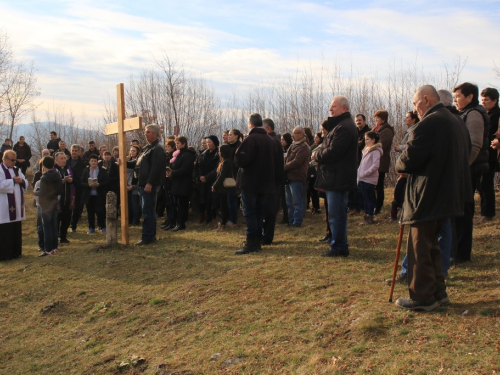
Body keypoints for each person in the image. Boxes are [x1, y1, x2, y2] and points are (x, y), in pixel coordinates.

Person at [394, 85, 468, 311]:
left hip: (427, 195)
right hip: (445, 193)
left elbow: (406, 160)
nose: (415, 110)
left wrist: (400, 160)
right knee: (433, 245)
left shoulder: (429, 123)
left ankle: (423, 297)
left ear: (426, 99)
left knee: (420, 248)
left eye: (416, 104)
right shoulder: (453, 120)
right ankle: (438, 292)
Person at [313, 96, 357, 257]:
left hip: (338, 179)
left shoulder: (344, 127)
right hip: (335, 177)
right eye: (330, 107)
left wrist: (317, 155)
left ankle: (338, 247)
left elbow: (334, 152)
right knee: (336, 214)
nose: (330, 110)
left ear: (344, 108)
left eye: (334, 107)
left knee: (336, 214)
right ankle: (338, 244)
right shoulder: (340, 125)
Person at [453, 82, 490, 263]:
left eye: (458, 97)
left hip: (469, 169)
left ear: (470, 97)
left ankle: (461, 254)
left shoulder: (474, 114)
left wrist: (462, 166)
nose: (456, 101)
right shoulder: (465, 113)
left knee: (464, 210)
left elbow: (474, 146)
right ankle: (457, 251)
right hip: (465, 169)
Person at [234, 113, 278, 254]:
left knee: (250, 213)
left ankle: (251, 242)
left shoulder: (251, 139)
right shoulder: (269, 139)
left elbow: (240, 160)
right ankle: (257, 241)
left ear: (250, 124)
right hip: (265, 182)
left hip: (251, 182)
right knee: (259, 212)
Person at [133, 124, 166, 245]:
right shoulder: (147, 148)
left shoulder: (157, 148)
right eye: (145, 132)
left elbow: (156, 168)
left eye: (148, 132)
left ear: (155, 134)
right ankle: (149, 235)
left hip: (148, 185)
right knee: (146, 210)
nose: (145, 134)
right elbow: (137, 164)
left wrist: (150, 183)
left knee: (148, 210)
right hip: (141, 183)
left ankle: (148, 237)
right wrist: (123, 163)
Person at [389, 111, 419, 222]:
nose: (405, 119)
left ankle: (404, 212)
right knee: (399, 189)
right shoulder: (409, 131)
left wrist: (400, 147)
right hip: (404, 166)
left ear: (414, 119)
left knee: (403, 191)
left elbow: (411, 147)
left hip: (408, 168)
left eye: (407, 117)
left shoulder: (414, 131)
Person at [0, 150, 28, 260]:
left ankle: (16, 252)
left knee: (15, 229)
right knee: (6, 231)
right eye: (12, 160)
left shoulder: (17, 170)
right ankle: (5, 254)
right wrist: (12, 181)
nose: (14, 162)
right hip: (4, 206)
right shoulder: (1, 170)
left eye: (15, 160)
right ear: (4, 159)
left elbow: (26, 182)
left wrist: (21, 181)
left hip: (16, 205)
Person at [477, 87, 499, 223]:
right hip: (483, 153)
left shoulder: (498, 115)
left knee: (486, 182)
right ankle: (484, 211)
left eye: (487, 100)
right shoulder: (482, 114)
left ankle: (488, 213)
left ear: (495, 101)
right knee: (480, 183)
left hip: (493, 154)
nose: (483, 102)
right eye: (482, 100)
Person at [262, 118, 285, 244]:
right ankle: (266, 235)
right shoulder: (274, 139)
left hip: (272, 181)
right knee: (269, 209)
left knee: (269, 210)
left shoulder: (272, 140)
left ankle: (267, 237)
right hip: (274, 180)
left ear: (268, 128)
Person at [167, 136, 196, 231]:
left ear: (184, 144)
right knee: (176, 204)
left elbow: (186, 169)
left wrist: (173, 173)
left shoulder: (188, 155)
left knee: (182, 205)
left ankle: (181, 223)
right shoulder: (178, 154)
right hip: (176, 183)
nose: (176, 145)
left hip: (184, 184)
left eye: (178, 143)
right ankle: (176, 222)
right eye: (176, 144)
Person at [36, 156, 62, 257]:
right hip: (55, 202)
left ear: (43, 165)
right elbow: (59, 190)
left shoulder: (44, 177)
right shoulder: (57, 175)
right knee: (54, 226)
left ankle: (48, 249)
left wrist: (35, 192)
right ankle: (54, 247)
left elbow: (42, 192)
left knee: (46, 227)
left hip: (46, 204)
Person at [284, 126, 310, 227]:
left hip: (297, 177)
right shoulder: (293, 145)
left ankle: (297, 222)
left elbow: (297, 162)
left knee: (296, 201)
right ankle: (291, 221)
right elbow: (287, 158)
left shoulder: (304, 147)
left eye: (294, 133)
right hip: (289, 177)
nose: (292, 135)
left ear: (300, 135)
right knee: (289, 202)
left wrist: (284, 167)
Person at [372, 110, 394, 215]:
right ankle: (374, 204)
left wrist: (372, 146)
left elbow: (383, 145)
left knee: (379, 184)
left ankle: (378, 206)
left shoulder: (387, 131)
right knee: (374, 184)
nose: (376, 120)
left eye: (378, 118)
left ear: (383, 119)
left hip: (381, 160)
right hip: (374, 160)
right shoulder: (376, 129)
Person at [357, 131, 383, 224]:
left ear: (373, 140)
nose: (366, 141)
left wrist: (366, 173)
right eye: (365, 139)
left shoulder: (375, 151)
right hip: (362, 178)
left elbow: (375, 165)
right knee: (364, 198)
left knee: (369, 198)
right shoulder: (366, 150)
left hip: (369, 179)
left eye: (368, 139)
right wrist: (359, 174)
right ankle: (366, 216)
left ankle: (370, 217)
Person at [195, 135, 219, 225]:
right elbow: (196, 166)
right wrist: (198, 177)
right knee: (202, 199)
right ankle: (203, 218)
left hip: (212, 181)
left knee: (210, 200)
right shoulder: (203, 154)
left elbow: (217, 168)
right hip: (202, 181)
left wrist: (207, 177)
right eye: (207, 142)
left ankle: (210, 218)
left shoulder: (217, 154)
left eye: (210, 142)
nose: (208, 144)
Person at [81, 154, 108, 234]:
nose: (93, 162)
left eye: (95, 161)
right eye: (92, 161)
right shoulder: (85, 171)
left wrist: (99, 184)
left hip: (99, 194)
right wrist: (88, 185)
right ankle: (91, 228)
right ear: (89, 162)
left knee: (100, 211)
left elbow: (107, 181)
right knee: (90, 212)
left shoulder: (102, 170)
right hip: (89, 195)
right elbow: (81, 182)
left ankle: (102, 226)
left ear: (97, 162)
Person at [212, 145, 236, 230]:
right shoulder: (225, 161)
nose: (219, 153)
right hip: (223, 187)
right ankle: (223, 222)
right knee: (223, 205)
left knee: (224, 206)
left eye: (220, 151)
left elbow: (222, 175)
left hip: (224, 187)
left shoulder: (226, 162)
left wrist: (215, 185)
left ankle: (223, 223)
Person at [54, 151, 75, 242]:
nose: (63, 160)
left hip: (68, 198)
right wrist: (61, 181)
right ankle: (56, 236)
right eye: (61, 159)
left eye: (64, 159)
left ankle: (63, 236)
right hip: (58, 199)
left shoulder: (69, 169)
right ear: (56, 160)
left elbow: (76, 180)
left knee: (67, 218)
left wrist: (71, 180)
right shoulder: (53, 170)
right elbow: (51, 183)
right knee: (57, 218)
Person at [68, 144, 88, 232]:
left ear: (79, 152)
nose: (74, 152)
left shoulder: (84, 163)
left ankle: (73, 226)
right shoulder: (66, 162)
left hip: (79, 187)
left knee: (77, 207)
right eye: (73, 150)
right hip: (68, 187)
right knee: (67, 207)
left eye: (76, 151)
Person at [227, 129, 243, 226]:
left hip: (235, 175)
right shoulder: (229, 146)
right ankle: (230, 218)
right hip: (228, 175)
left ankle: (233, 220)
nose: (228, 136)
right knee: (229, 199)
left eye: (230, 135)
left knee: (232, 199)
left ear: (236, 136)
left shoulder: (239, 147)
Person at [127, 146, 142, 226]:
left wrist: (133, 186)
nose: (132, 152)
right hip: (127, 185)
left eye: (134, 151)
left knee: (135, 204)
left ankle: (136, 220)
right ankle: (129, 219)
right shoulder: (127, 160)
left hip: (135, 186)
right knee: (128, 204)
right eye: (131, 150)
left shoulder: (139, 162)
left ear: (137, 152)